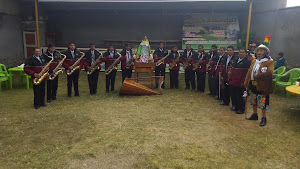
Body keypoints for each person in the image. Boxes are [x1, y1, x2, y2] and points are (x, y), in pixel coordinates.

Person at [244, 44, 274, 126]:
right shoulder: (254, 61)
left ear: (265, 52)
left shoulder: (269, 62)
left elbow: (270, 73)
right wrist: (246, 82)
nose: (259, 53)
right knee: (254, 101)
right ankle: (254, 114)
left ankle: (263, 118)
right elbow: (249, 72)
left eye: (261, 51)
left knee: (262, 102)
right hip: (253, 84)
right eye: (258, 51)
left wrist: (258, 76)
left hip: (263, 86)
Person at [228, 48, 251, 114]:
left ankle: (241, 108)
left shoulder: (248, 62)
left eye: (242, 52)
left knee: (240, 96)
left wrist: (244, 82)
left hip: (240, 82)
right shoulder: (235, 60)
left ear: (246, 53)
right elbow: (231, 68)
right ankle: (234, 105)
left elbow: (247, 73)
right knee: (233, 94)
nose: (241, 53)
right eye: (240, 52)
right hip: (233, 80)